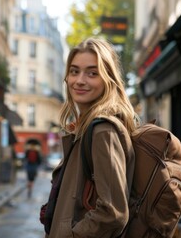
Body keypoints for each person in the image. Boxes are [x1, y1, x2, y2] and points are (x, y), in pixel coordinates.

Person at [42, 37, 139, 237]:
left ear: (108, 79)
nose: (80, 80)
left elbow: (113, 213)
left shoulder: (103, 131)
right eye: (74, 71)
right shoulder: (86, 128)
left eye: (92, 73)